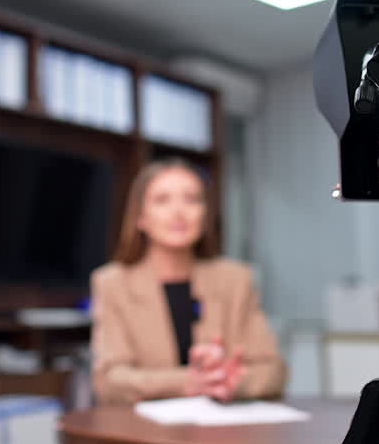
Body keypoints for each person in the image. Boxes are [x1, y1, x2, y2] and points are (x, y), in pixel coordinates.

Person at [89, 158, 287, 409]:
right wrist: (188, 382)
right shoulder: (112, 282)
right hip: (144, 436)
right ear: (140, 217)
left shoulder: (235, 279)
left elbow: (274, 371)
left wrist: (232, 381)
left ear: (205, 214)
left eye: (192, 199)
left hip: (224, 433)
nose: (178, 211)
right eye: (162, 200)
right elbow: (109, 381)